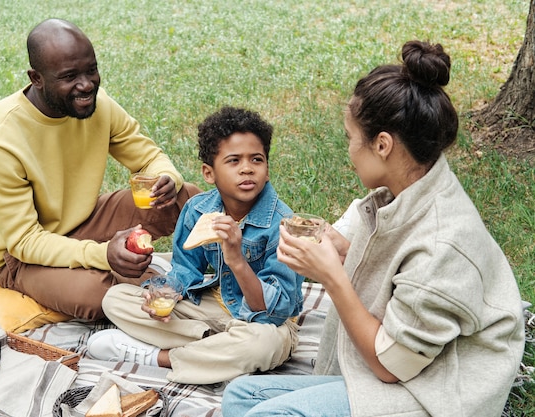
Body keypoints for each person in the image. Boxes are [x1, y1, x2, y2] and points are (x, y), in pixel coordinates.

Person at [221, 41, 525, 416]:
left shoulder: (443, 242)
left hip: (438, 392)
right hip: (410, 372)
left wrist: (332, 277)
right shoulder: (404, 193)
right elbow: (399, 275)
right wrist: (345, 252)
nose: (348, 150)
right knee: (241, 396)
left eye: (350, 138)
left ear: (382, 144)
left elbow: (390, 366)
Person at [0, 18, 200, 321]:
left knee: (188, 200)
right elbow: (24, 242)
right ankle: (143, 281)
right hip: (19, 258)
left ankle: (218, 270)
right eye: (69, 76)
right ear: (36, 78)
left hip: (84, 221)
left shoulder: (98, 105)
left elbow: (147, 156)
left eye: (91, 69)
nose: (87, 84)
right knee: (97, 296)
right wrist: (103, 255)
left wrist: (166, 177)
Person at [86, 106, 305, 384]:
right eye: (234, 161)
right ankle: (216, 348)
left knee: (263, 346)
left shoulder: (284, 225)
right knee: (115, 300)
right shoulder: (198, 210)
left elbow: (274, 313)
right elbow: (186, 269)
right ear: (208, 173)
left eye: (256, 160)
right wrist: (167, 291)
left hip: (265, 322)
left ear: (267, 171)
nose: (247, 168)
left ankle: (157, 357)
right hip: (213, 311)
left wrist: (236, 259)